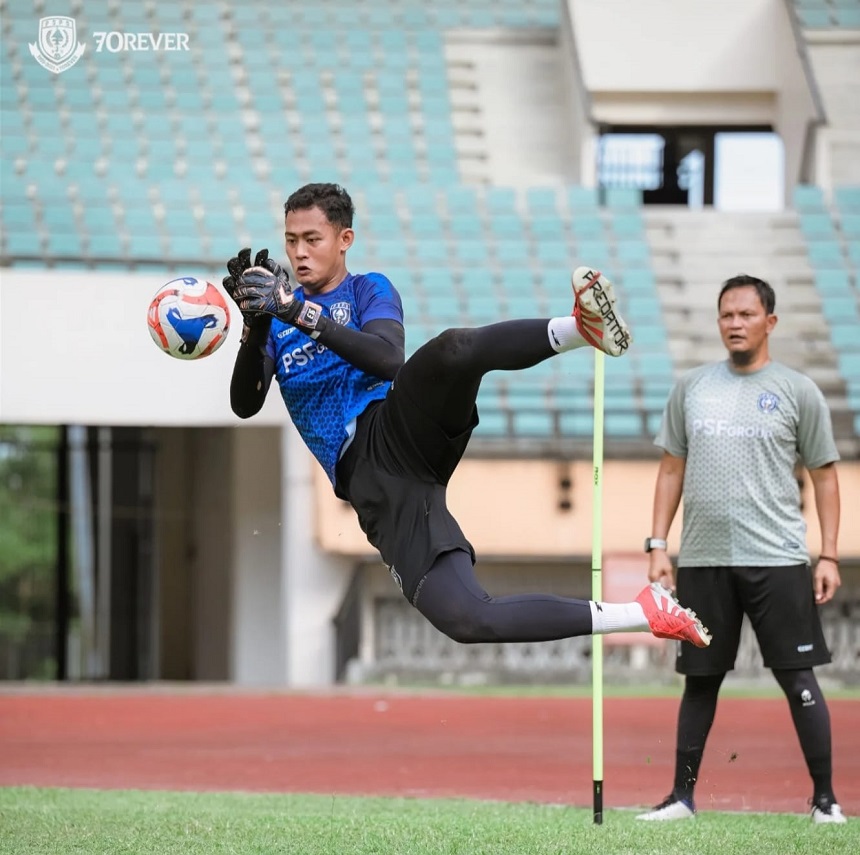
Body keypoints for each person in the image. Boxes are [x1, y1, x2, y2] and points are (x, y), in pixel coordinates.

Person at [222, 181, 711, 663]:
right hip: (374, 482)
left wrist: (296, 309)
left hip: (398, 424)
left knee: (455, 348)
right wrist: (258, 324)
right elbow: (245, 403)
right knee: (467, 619)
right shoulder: (275, 323)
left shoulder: (366, 289)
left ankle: (580, 329)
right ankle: (646, 613)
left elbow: (390, 359)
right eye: (291, 240)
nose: (300, 252)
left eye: (313, 239)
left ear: (344, 239)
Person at [636, 275, 845, 824]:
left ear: (769, 322)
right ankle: (680, 797)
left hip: (777, 558)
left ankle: (826, 801)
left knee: (798, 678)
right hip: (703, 559)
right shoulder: (692, 388)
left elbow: (825, 477)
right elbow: (670, 469)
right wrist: (658, 545)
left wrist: (829, 555)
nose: (735, 324)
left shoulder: (799, 391)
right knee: (700, 680)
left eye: (746, 315)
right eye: (726, 314)